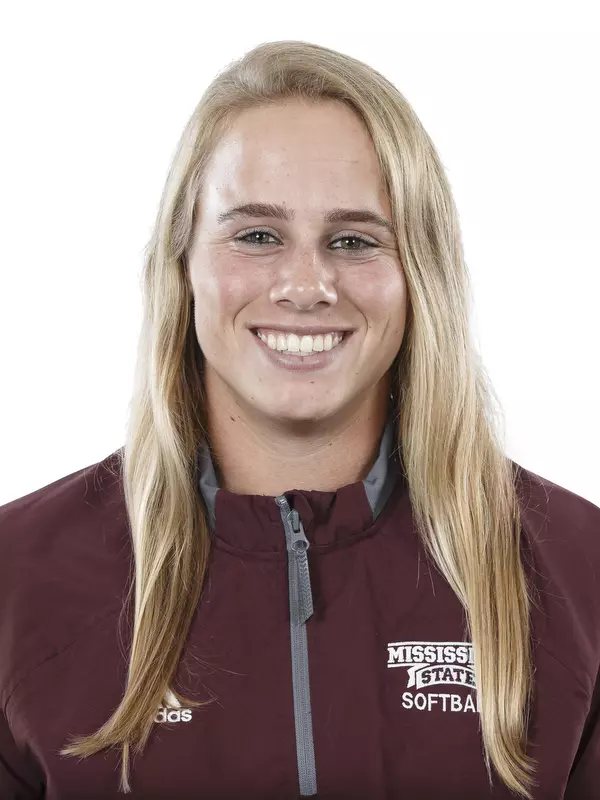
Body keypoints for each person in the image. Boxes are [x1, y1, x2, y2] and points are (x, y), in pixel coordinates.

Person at [0, 40, 598, 800]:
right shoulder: (17, 580)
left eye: (354, 241)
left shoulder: (580, 575)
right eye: (256, 235)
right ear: (183, 265)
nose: (306, 284)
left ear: (422, 276)